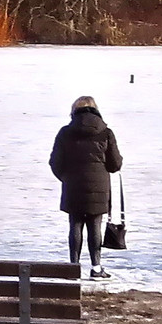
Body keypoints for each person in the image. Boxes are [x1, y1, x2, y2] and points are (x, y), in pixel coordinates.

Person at [50, 95, 123, 280]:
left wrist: (65, 178)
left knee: (75, 224)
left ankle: (73, 268)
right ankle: (96, 268)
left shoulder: (65, 132)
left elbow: (55, 162)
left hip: (73, 185)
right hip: (99, 187)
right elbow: (115, 165)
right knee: (95, 226)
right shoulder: (106, 132)